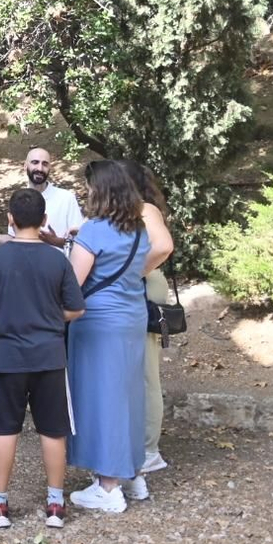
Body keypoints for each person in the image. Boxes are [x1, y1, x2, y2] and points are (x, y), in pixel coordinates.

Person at [0, 188, 86, 529]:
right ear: (45, 220)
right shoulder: (57, 259)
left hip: (7, 356)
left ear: (10, 219)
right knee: (53, 429)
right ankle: (54, 503)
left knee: (5, 428)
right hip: (50, 355)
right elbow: (76, 308)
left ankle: (0, 505)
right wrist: (51, 318)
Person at [64, 160, 167, 512]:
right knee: (128, 395)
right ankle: (133, 473)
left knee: (101, 400)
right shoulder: (138, 230)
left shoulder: (93, 231)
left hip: (98, 324)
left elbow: (72, 286)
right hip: (132, 318)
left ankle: (108, 487)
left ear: (100, 191)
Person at [120, 160, 177, 490]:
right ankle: (140, 443)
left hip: (145, 288)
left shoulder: (146, 208)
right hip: (139, 287)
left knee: (146, 373)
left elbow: (164, 246)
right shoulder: (136, 209)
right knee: (137, 370)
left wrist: (132, 271)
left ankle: (149, 449)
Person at [0, 147, 85, 249]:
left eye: (45, 164)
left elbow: (81, 243)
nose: (40, 168)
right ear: (25, 166)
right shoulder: (19, 198)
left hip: (59, 268)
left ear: (50, 168)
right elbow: (14, 240)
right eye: (35, 162)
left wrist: (56, 241)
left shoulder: (66, 198)